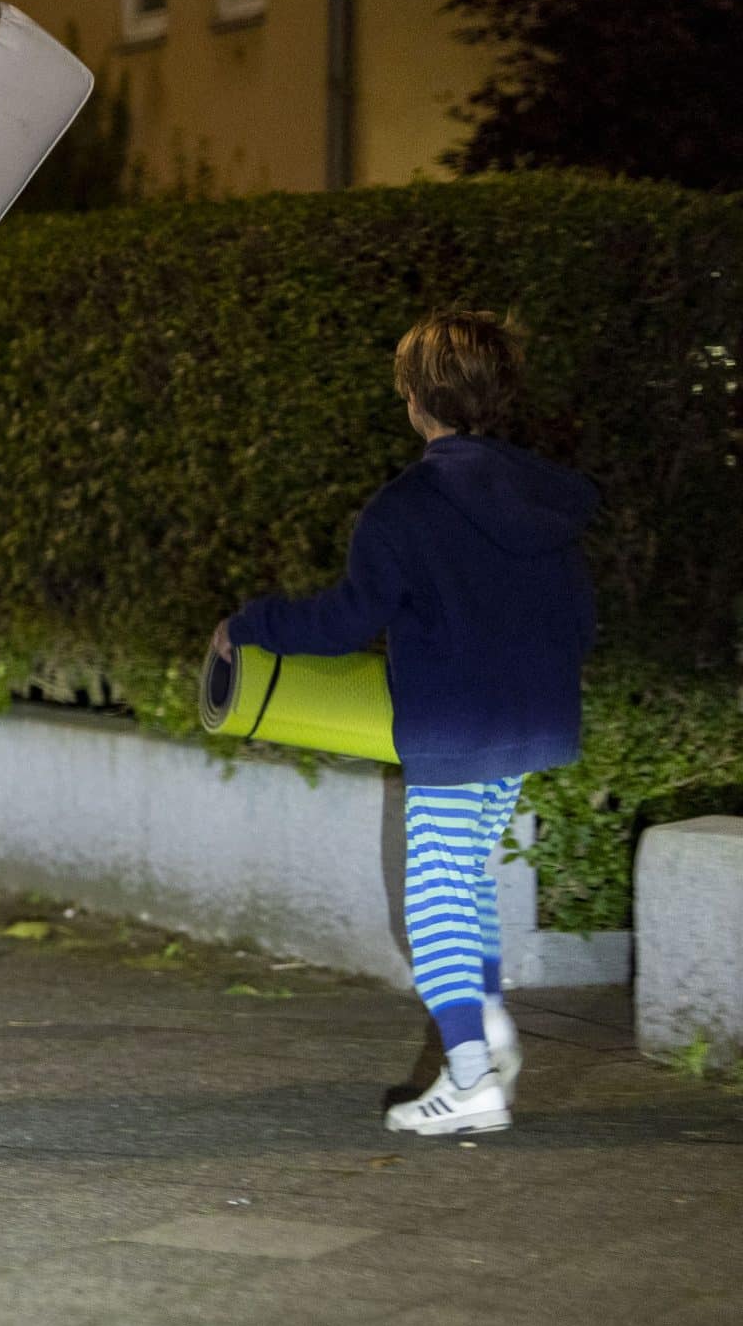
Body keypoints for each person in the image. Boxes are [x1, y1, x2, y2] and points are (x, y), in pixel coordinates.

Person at [215, 310, 595, 1138]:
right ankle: (487, 1032)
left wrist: (250, 625)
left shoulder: (407, 506)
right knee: (464, 879)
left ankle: (470, 1078)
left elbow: (347, 621)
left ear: (418, 402)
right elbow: (580, 617)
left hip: (456, 726)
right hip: (528, 721)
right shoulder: (544, 500)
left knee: (432, 900)